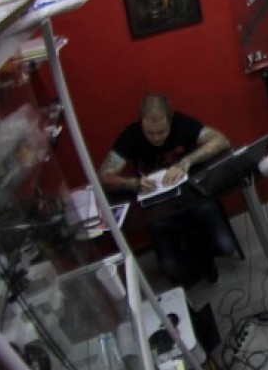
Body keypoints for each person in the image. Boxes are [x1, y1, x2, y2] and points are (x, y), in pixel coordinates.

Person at [99, 93, 238, 285]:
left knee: (226, 246)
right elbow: (104, 176)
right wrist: (133, 183)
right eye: (149, 133)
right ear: (141, 122)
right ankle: (200, 258)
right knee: (171, 267)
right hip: (157, 207)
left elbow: (221, 141)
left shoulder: (181, 123)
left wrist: (186, 162)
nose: (156, 138)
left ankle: (198, 248)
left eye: (161, 132)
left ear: (170, 119)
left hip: (191, 196)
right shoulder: (131, 135)